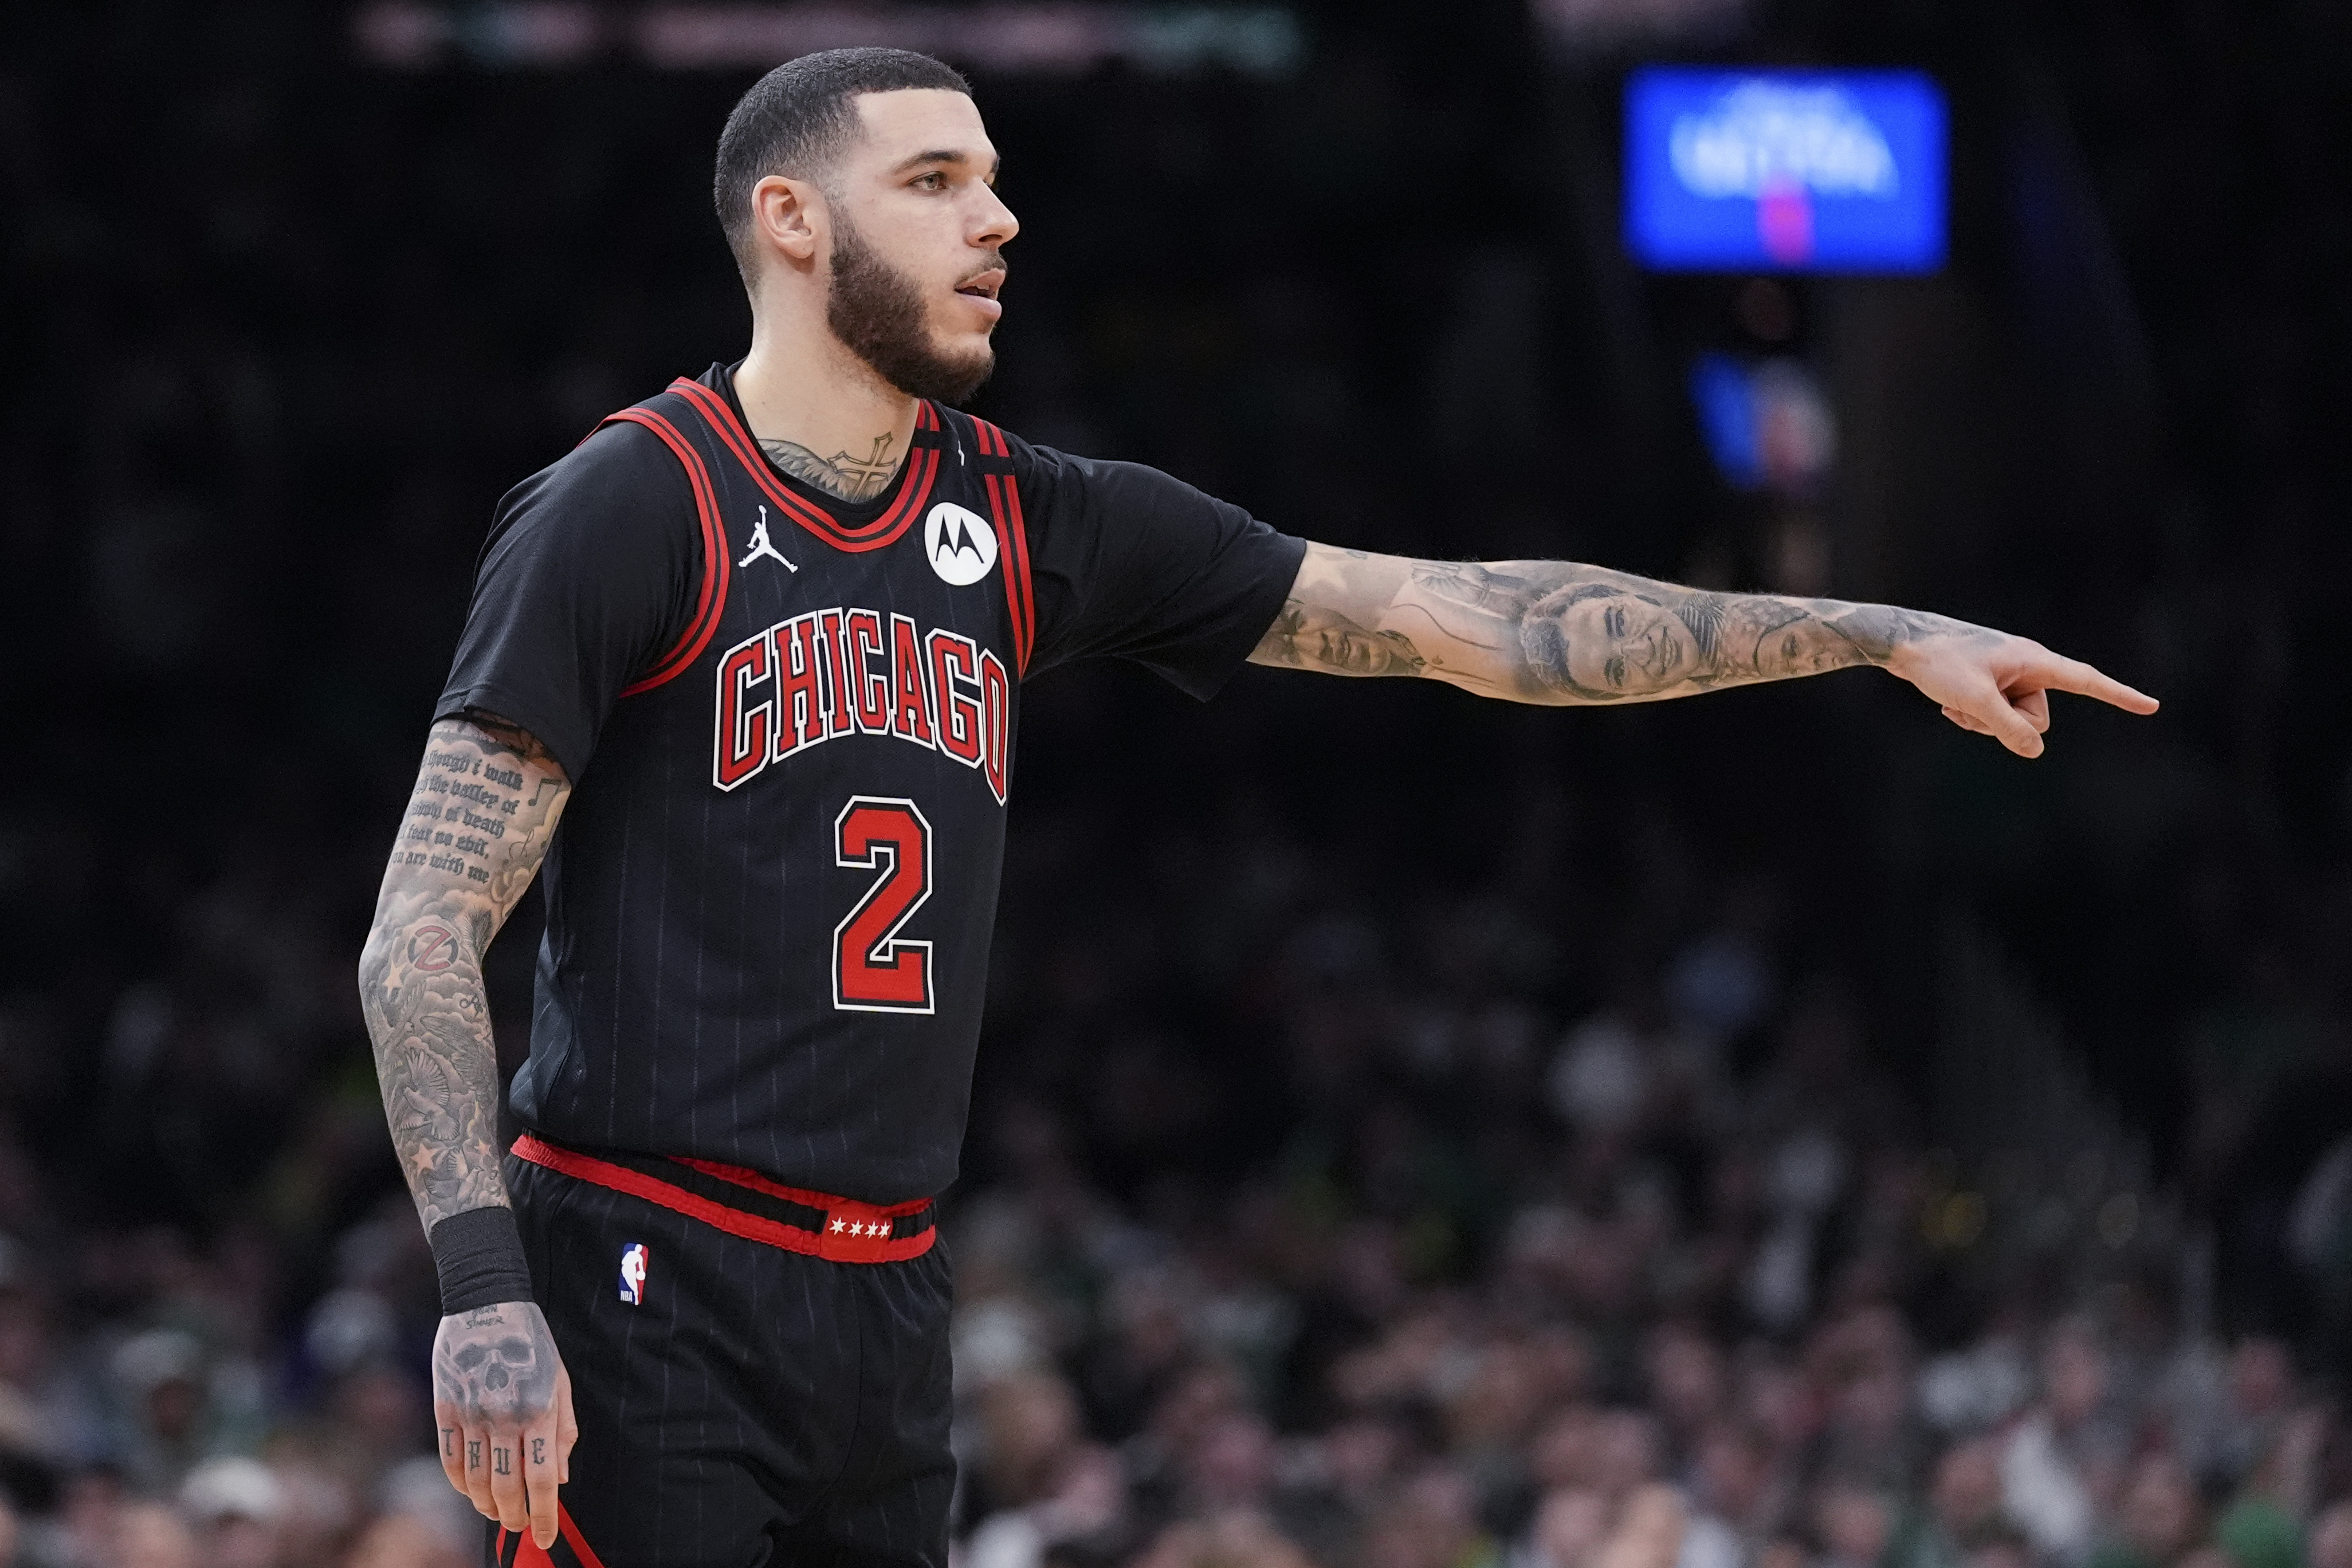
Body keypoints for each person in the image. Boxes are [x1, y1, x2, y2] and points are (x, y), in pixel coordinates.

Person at [354, 46, 2159, 1568]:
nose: (998, 221)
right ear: (791, 222)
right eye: (935, 182)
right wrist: (483, 1285)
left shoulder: (1030, 516)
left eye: (995, 180)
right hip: (641, 1268)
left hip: (885, 1297)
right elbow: (423, 929)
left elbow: (1468, 620)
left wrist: (1862, 626)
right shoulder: (629, 503)